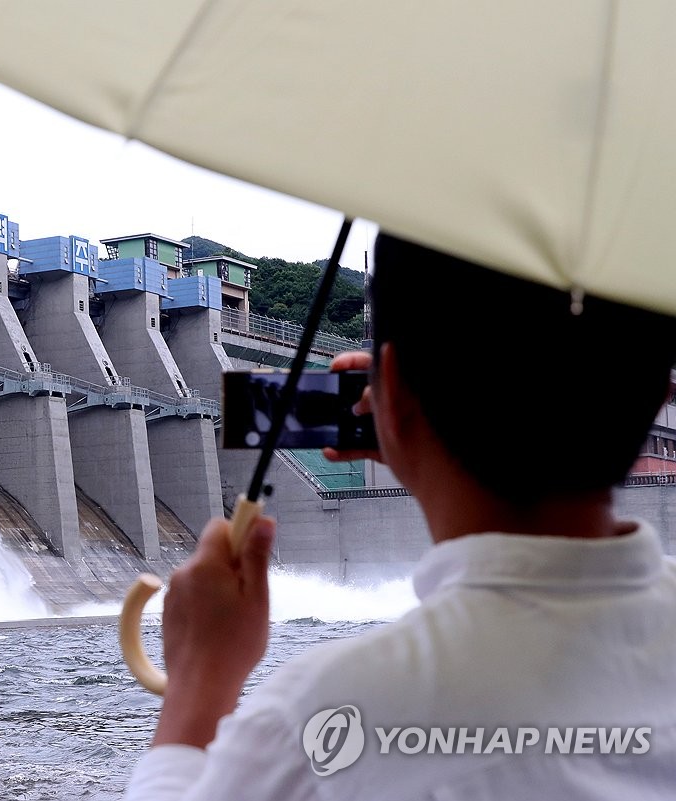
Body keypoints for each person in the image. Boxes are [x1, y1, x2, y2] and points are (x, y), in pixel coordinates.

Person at [123, 232, 676, 800]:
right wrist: (420, 435)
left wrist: (197, 683)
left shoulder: (315, 726)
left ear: (390, 386)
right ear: (660, 394)